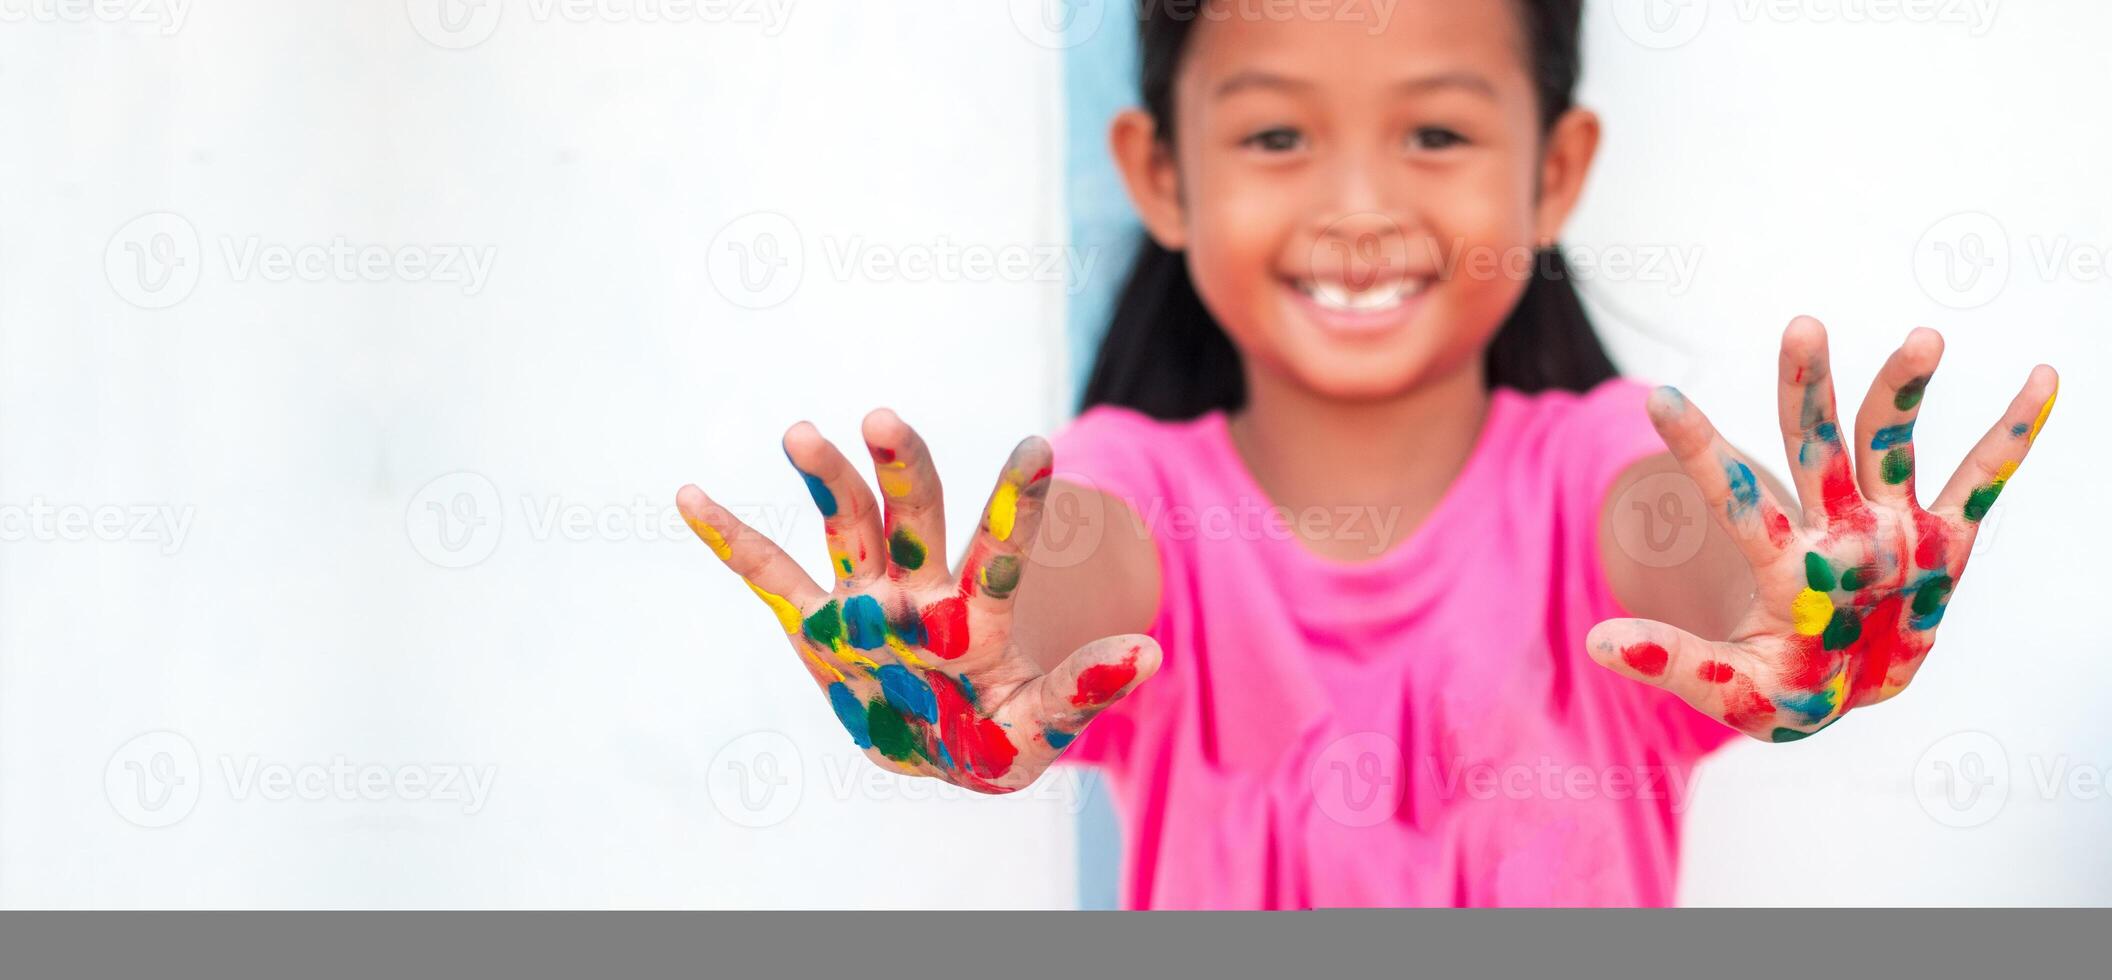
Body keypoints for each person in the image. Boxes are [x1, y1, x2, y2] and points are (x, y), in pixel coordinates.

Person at [674, 0, 2058, 907]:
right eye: (1276, 133)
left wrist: (1791, 598)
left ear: (1556, 171)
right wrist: (975, 647)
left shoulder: (1593, 479)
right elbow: (1059, 581)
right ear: (1161, 172)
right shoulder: (1137, 495)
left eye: (1437, 131)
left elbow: (1687, 548)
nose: (1356, 205)